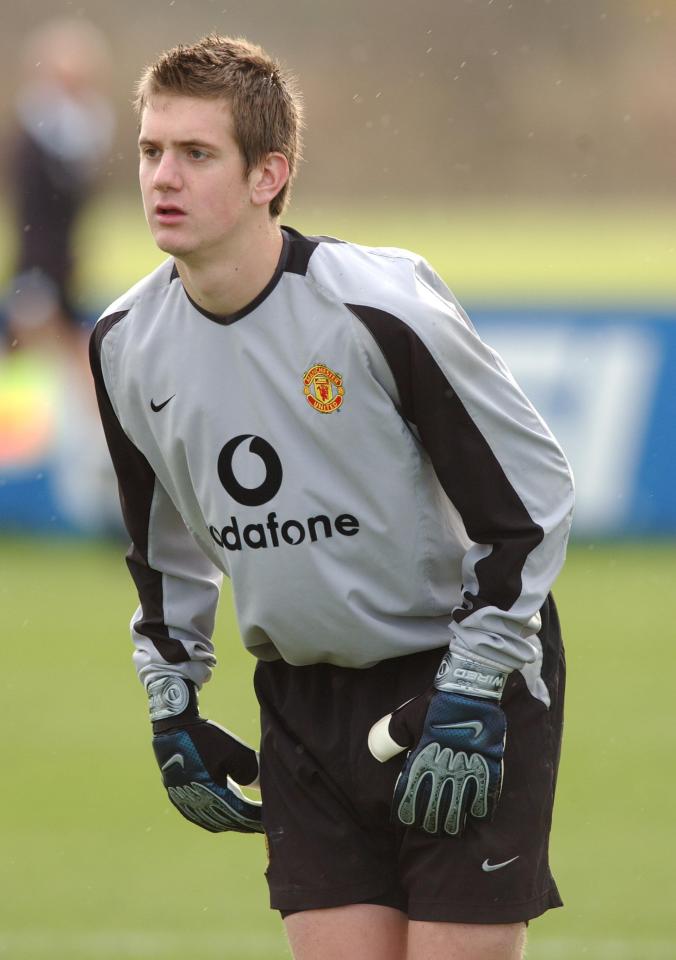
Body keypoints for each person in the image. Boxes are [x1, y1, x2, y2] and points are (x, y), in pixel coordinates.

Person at [89, 35, 574, 960]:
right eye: (151, 150)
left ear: (270, 173)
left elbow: (530, 501)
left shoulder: (379, 309)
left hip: (461, 676)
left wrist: (476, 685)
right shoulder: (123, 341)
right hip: (303, 703)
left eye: (197, 154)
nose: (163, 177)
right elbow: (160, 549)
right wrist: (172, 701)